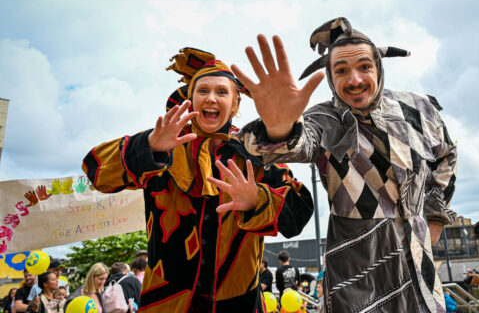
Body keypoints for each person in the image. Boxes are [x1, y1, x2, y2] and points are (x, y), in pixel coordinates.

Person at [235, 17, 458, 312]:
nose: (354, 80)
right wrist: (279, 128)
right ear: (330, 76)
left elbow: (446, 155)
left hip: (421, 268)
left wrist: (434, 216)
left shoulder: (418, 109)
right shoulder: (324, 120)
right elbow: (301, 142)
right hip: (357, 268)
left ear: (379, 67)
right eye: (341, 70)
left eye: (364, 66)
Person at [82, 49, 313, 312]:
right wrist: (147, 147)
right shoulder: (165, 145)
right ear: (191, 100)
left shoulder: (255, 151)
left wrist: (258, 201)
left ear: (236, 104)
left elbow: (299, 214)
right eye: (203, 90)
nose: (211, 98)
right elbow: (95, 170)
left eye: (222, 92)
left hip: (238, 302)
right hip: (167, 302)